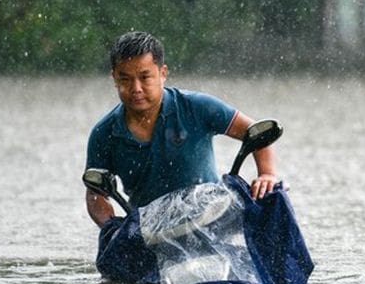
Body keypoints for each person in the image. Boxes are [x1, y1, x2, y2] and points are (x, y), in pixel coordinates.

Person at [84, 31, 278, 227]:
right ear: (114, 78)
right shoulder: (103, 133)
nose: (136, 88)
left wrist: (267, 174)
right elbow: (95, 194)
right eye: (125, 79)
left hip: (210, 220)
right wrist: (111, 225)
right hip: (151, 233)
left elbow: (256, 134)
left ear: (163, 74)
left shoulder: (198, 107)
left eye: (145, 77)